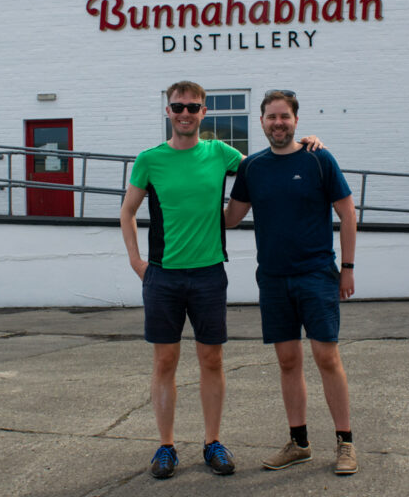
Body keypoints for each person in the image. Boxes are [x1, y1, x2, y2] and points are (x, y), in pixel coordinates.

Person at [119, 81, 322, 480]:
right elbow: (127, 212)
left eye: (193, 107)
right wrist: (137, 262)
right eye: (178, 107)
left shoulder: (220, 153)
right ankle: (166, 446)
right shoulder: (149, 159)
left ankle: (213, 441)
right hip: (163, 276)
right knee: (165, 361)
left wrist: (306, 143)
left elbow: (268, 162)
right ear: (168, 111)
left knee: (212, 360)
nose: (185, 114)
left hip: (210, 273)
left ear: (203, 113)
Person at [224, 90, 359, 475]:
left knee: (327, 357)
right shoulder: (253, 168)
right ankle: (299, 443)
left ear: (295, 120)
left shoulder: (319, 159)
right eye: (271, 117)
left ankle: (345, 443)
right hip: (273, 278)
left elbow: (348, 214)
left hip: (317, 275)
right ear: (262, 122)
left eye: (284, 116)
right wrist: (185, 203)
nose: (278, 123)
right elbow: (231, 218)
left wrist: (347, 268)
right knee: (287, 361)